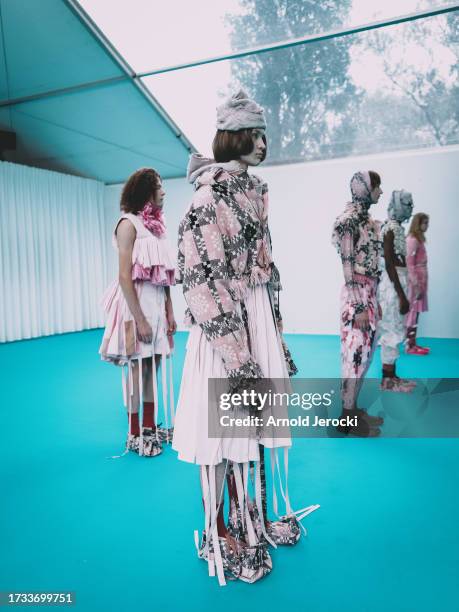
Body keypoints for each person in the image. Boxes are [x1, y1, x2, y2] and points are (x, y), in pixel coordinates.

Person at [172, 90, 318, 586]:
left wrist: (273, 339)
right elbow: (201, 282)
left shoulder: (254, 192)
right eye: (256, 134)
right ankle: (219, 531)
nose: (264, 143)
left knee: (250, 427)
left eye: (264, 134)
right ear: (235, 135)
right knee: (223, 431)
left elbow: (266, 272)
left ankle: (247, 517)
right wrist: (238, 355)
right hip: (225, 331)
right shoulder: (206, 200)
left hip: (254, 317)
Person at [99, 168, 177, 457]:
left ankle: (150, 429)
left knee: (152, 369)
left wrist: (169, 311)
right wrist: (141, 320)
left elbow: (163, 275)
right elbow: (123, 277)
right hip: (134, 313)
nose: (164, 191)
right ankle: (135, 435)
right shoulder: (127, 224)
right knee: (136, 371)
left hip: (156, 309)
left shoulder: (158, 227)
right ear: (145, 191)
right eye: (159, 186)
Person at [332, 170, 385, 437]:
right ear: (365, 188)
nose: (381, 192)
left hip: (370, 293)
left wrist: (375, 302)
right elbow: (347, 267)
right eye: (377, 186)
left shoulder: (367, 221)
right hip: (357, 296)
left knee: (365, 357)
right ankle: (346, 418)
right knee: (353, 358)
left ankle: (353, 409)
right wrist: (360, 307)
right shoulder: (347, 222)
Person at [378, 190, 416, 391]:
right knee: (391, 330)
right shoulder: (390, 229)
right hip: (392, 287)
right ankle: (387, 380)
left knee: (396, 328)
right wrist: (401, 294)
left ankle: (392, 376)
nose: (410, 208)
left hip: (398, 283)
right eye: (407, 204)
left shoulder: (397, 228)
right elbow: (389, 263)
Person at [405, 213, 430, 354]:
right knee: (413, 312)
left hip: (421, 279)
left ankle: (412, 342)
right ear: (417, 223)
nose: (427, 226)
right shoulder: (412, 240)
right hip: (415, 282)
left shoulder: (419, 240)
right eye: (424, 223)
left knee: (416, 313)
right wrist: (416, 285)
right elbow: (410, 265)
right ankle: (410, 345)